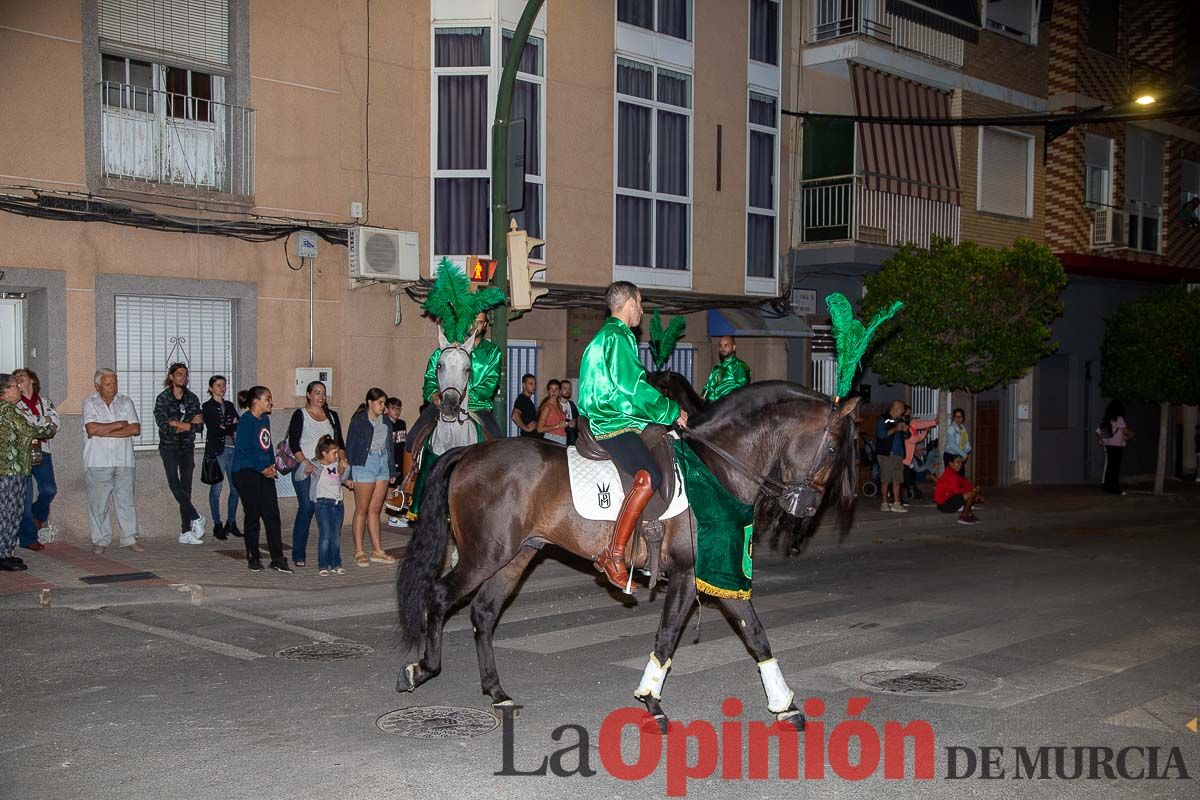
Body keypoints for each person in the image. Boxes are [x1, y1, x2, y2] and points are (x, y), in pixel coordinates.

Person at [578, 281, 687, 591]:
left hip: (615, 416)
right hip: (610, 422)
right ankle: (614, 554)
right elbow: (632, 388)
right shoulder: (618, 337)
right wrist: (670, 410)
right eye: (640, 303)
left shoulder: (608, 336)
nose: (642, 309)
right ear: (627, 303)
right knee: (649, 475)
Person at [82, 369, 144, 554]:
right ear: (98, 386)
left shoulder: (125, 401)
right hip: (98, 460)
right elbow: (92, 429)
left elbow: (134, 428)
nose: (113, 388)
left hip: (124, 460)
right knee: (98, 504)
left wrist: (106, 430)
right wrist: (119, 424)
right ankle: (100, 539)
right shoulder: (89, 402)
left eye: (115, 383)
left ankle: (130, 538)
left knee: (126, 501)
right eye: (108, 384)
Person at [230, 386, 291, 573]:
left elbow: (267, 444)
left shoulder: (265, 419)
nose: (271, 402)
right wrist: (261, 468)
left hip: (264, 471)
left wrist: (272, 465)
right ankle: (253, 557)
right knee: (253, 515)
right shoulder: (246, 421)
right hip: (245, 472)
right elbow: (243, 450)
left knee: (272, 515)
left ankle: (278, 559)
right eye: (267, 399)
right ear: (255, 401)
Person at [0, 373, 57, 571]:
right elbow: (39, 431)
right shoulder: (8, 411)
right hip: (9, 471)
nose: (18, 389)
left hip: (14, 469)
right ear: (5, 392)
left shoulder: (8, 409)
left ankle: (6, 552)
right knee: (8, 513)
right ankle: (3, 555)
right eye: (15, 386)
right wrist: (47, 423)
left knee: (12, 512)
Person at [287, 381, 346, 567]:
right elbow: (294, 443)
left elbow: (340, 443)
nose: (320, 397)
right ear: (308, 395)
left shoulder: (332, 416)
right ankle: (298, 553)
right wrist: (305, 462)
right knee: (307, 506)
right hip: (307, 468)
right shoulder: (300, 415)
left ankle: (329, 555)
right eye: (317, 393)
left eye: (323, 393)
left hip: (328, 470)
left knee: (328, 510)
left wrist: (342, 460)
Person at [153, 362, 206, 544]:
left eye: (185, 374)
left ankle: (185, 531)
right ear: (171, 377)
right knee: (174, 484)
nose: (183, 378)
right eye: (179, 374)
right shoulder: (163, 399)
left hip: (187, 448)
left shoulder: (191, 398)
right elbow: (164, 427)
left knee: (186, 488)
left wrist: (179, 424)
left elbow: (199, 427)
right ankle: (196, 517)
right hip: (169, 448)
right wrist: (187, 424)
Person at [345, 388, 397, 567]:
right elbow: (350, 447)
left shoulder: (386, 422)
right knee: (362, 508)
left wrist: (391, 471)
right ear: (370, 402)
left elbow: (390, 447)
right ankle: (359, 551)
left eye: (384, 403)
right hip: (364, 464)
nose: (383, 407)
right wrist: (350, 474)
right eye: (380, 403)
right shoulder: (359, 421)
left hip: (382, 462)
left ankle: (377, 550)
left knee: (375, 508)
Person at [13, 368, 59, 551]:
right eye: (15, 377)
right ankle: (28, 538)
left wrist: (36, 420)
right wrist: (43, 420)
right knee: (25, 496)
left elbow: (56, 424)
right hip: (22, 452)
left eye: (21, 376)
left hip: (42, 450)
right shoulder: (14, 404)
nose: (18, 379)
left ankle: (37, 516)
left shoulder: (45, 401)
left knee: (49, 489)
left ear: (32, 380)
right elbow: (26, 426)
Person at [202, 375, 241, 541]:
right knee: (216, 489)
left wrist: (228, 426)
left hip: (233, 448)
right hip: (218, 450)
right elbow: (215, 428)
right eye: (218, 385)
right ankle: (217, 523)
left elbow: (237, 423)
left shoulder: (230, 405)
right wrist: (228, 426)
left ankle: (231, 522)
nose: (222, 388)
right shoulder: (208, 406)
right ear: (211, 388)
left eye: (224, 385)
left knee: (236, 488)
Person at [309, 434, 346, 576]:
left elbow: (344, 477)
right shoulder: (316, 465)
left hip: (338, 504)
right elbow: (300, 475)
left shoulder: (337, 465)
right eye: (334, 453)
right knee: (325, 535)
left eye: (337, 452)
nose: (337, 455)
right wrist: (306, 466)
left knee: (336, 535)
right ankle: (323, 564)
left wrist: (345, 466)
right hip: (322, 504)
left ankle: (336, 563)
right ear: (324, 453)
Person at [875, 400, 910, 513]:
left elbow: (906, 436)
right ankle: (884, 502)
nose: (903, 411)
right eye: (902, 409)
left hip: (898, 454)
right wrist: (895, 429)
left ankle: (896, 503)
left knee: (897, 480)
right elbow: (881, 435)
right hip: (886, 454)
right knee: (885, 480)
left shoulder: (900, 419)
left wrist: (906, 431)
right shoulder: (883, 418)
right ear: (896, 408)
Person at [1097, 400, 1134, 495]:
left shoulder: (1107, 418)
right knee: (1115, 468)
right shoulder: (1119, 418)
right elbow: (1125, 431)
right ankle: (1114, 487)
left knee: (1110, 467)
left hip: (1109, 445)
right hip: (1117, 446)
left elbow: (1103, 431)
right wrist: (1132, 434)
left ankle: (1107, 486)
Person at [701, 335, 751, 402]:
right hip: (712, 408)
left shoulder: (739, 365)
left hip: (728, 408)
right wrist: (700, 401)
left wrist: (722, 402)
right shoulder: (717, 368)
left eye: (726, 345)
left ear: (734, 347)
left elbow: (741, 389)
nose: (722, 348)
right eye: (721, 345)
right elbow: (708, 388)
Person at [934, 454, 981, 525]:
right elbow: (957, 491)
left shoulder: (952, 472)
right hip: (944, 505)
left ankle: (969, 514)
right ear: (950, 463)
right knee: (970, 494)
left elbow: (963, 481)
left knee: (971, 493)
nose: (960, 465)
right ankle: (964, 516)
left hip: (945, 502)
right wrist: (972, 493)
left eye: (961, 462)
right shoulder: (950, 475)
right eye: (957, 462)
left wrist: (972, 489)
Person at [384, 397, 409, 527]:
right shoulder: (384, 424)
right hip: (389, 461)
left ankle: (398, 512)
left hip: (400, 459)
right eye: (393, 408)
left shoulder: (401, 424)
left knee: (399, 488)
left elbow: (403, 443)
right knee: (390, 488)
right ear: (387, 409)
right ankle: (391, 516)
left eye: (398, 408)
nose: (397, 411)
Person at [537, 379, 569, 444]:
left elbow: (560, 423)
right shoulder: (547, 407)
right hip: (551, 438)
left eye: (556, 389)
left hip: (562, 438)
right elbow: (539, 429)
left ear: (560, 391)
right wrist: (557, 426)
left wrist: (568, 424)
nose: (553, 391)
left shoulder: (559, 406)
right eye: (551, 389)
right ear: (548, 391)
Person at [511, 373, 541, 438]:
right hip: (529, 439)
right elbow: (514, 416)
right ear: (524, 385)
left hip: (532, 438)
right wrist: (526, 428)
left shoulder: (527, 400)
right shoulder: (522, 399)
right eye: (530, 384)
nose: (534, 386)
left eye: (535, 384)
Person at [559, 379, 579, 446]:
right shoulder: (555, 404)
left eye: (569, 388)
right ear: (560, 390)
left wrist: (574, 424)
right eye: (565, 388)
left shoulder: (572, 404)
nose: (568, 391)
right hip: (559, 435)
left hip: (571, 436)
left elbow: (577, 419)